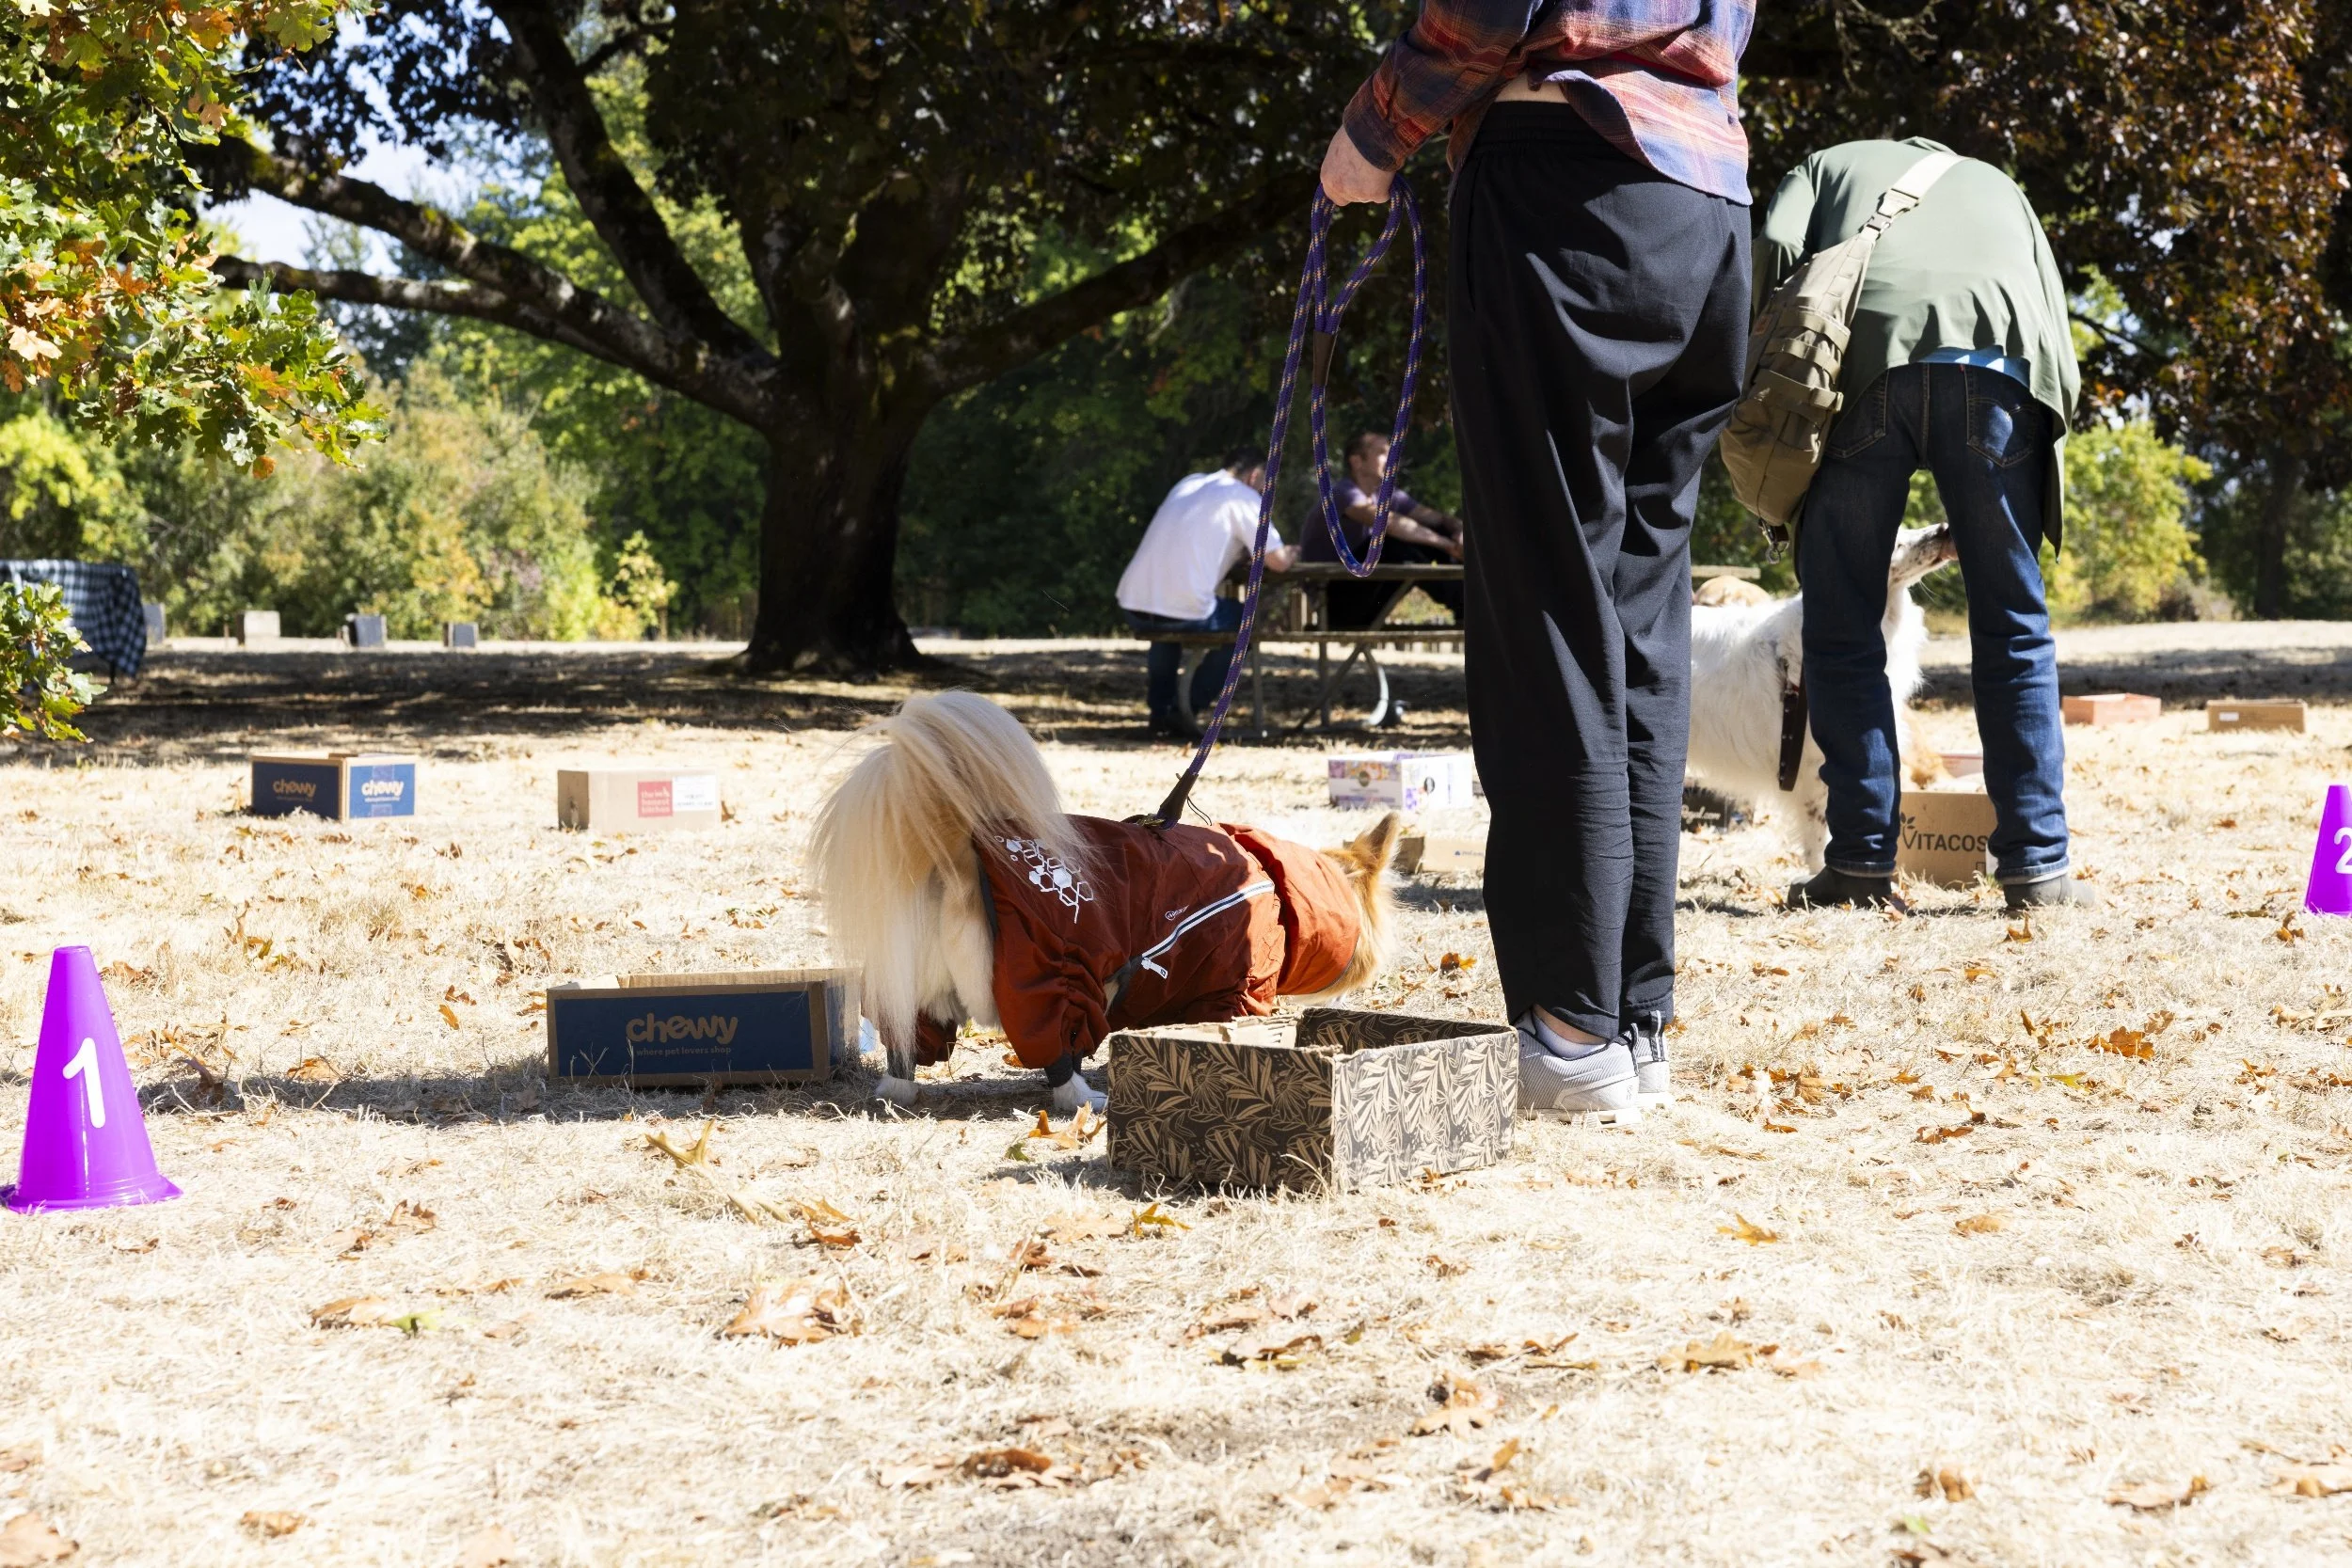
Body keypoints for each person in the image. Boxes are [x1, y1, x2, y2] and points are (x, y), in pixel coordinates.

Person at [1322, 2, 1756, 1122]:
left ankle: (1569, 1026)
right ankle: (1628, 1020)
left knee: (1547, 608)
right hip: (1707, 206)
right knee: (1639, 621)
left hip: (1562, 184)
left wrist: (1374, 135)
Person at [1758, 138, 2089, 913]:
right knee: (2014, 626)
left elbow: (1773, 243)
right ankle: (2037, 868)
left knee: (1843, 628)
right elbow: (2049, 306)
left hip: (1862, 369)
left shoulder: (1825, 166)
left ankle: (1859, 866)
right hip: (1997, 372)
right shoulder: (1999, 184)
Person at [1116, 446, 1297, 738]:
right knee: (1246, 624)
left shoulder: (1190, 484)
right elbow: (1278, 562)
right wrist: (1293, 552)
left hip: (1134, 601)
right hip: (1183, 607)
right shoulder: (1243, 497)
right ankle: (1186, 709)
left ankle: (1160, 713)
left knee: (1167, 623)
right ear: (1254, 475)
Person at [1301, 431, 1467, 630]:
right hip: (1334, 600)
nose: (1391, 459)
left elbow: (1437, 518)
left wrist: (1458, 532)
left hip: (1366, 590)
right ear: (1357, 462)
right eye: (1382, 453)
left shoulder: (1388, 495)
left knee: (1436, 532)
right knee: (1392, 544)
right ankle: (1463, 604)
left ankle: (1467, 604)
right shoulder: (1342, 493)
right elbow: (1388, 523)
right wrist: (1446, 545)